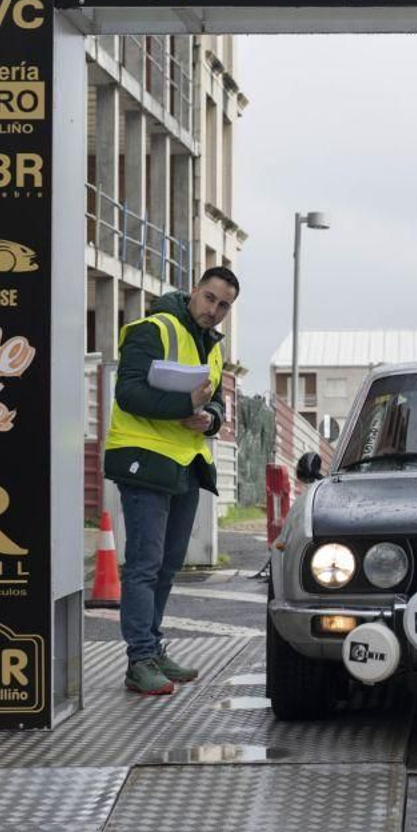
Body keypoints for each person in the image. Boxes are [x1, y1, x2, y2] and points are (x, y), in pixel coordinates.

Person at [104, 268, 237, 695]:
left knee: (167, 565)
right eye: (210, 298)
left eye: (223, 306)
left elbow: (215, 397)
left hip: (184, 462)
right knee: (144, 565)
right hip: (145, 459)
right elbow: (128, 394)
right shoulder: (151, 329)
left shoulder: (212, 346)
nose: (214, 310)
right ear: (194, 290)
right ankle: (139, 659)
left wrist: (210, 416)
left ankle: (153, 648)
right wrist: (185, 402)